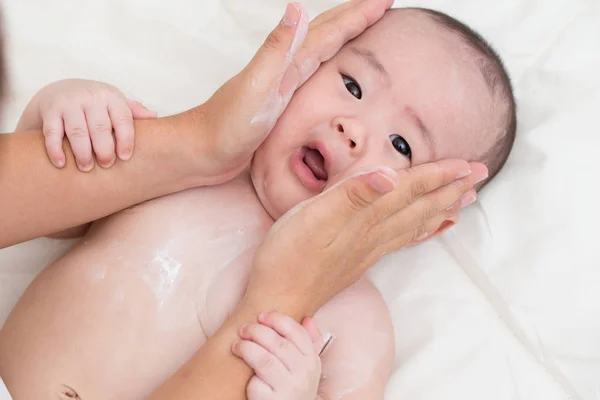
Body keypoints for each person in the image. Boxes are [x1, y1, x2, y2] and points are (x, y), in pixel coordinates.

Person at [0, 4, 508, 400]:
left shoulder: (354, 320)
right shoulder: (181, 166)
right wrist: (67, 110)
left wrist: (298, 391)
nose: (352, 130)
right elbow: (52, 212)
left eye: (402, 146)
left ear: (421, 222)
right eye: (352, 85)